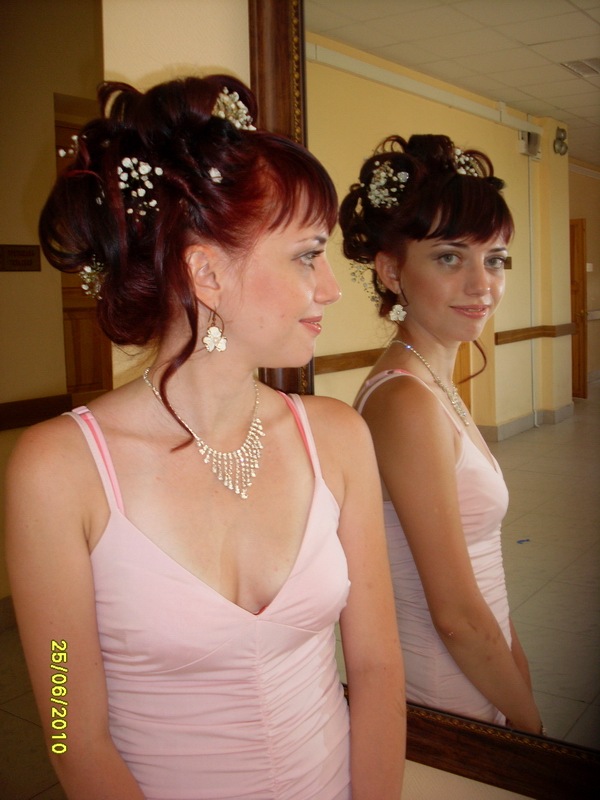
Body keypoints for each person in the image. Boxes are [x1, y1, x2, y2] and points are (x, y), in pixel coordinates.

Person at [5, 75, 405, 799]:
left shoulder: (338, 437)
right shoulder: (58, 471)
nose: (330, 287)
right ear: (207, 274)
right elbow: (67, 730)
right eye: (306, 254)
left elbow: (376, 665)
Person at [339, 134, 543, 734]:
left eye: (495, 259)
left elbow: (482, 581)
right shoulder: (405, 401)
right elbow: (454, 613)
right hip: (448, 688)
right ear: (391, 271)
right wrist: (534, 732)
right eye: (451, 258)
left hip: (483, 669)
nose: (483, 284)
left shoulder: (431, 383)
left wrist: (518, 675)